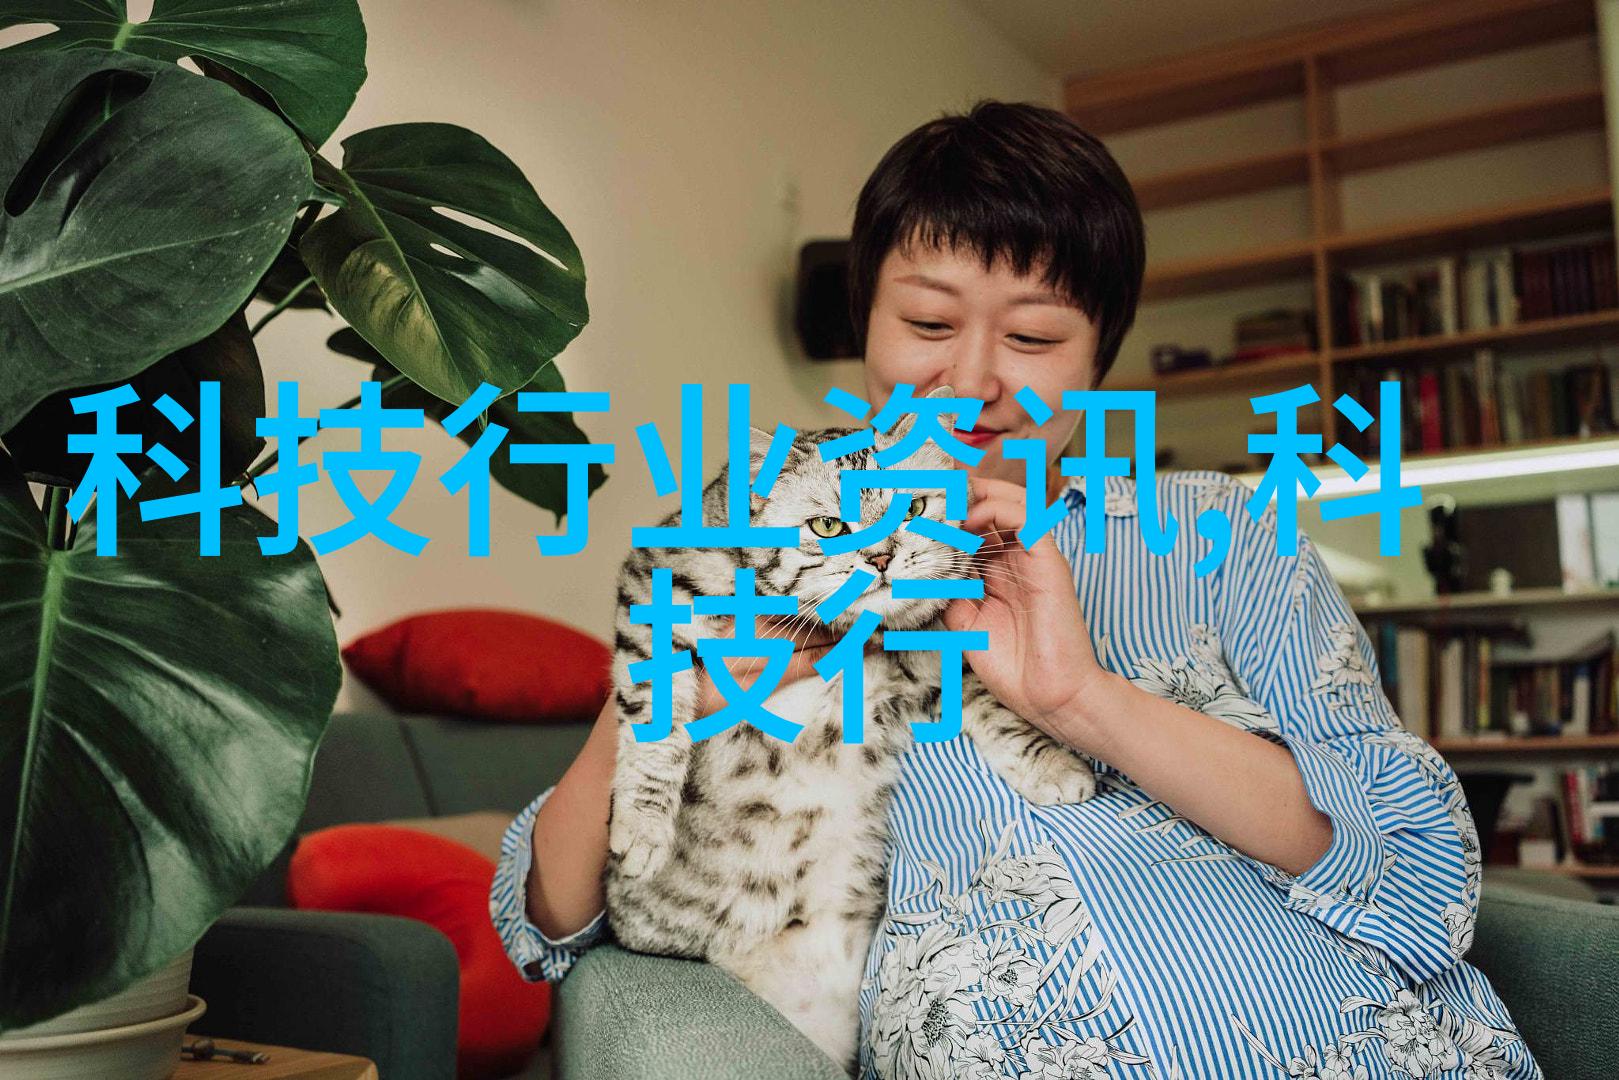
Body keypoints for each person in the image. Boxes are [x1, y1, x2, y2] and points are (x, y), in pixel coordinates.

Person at [491, 101, 1538, 1079]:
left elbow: (1421, 877)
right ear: (864, 323)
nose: (972, 381)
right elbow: (552, 917)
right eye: (927, 324)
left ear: (1097, 357)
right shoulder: (771, 537)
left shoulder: (1222, 534)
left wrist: (1080, 699)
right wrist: (676, 685)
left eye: (1033, 338)